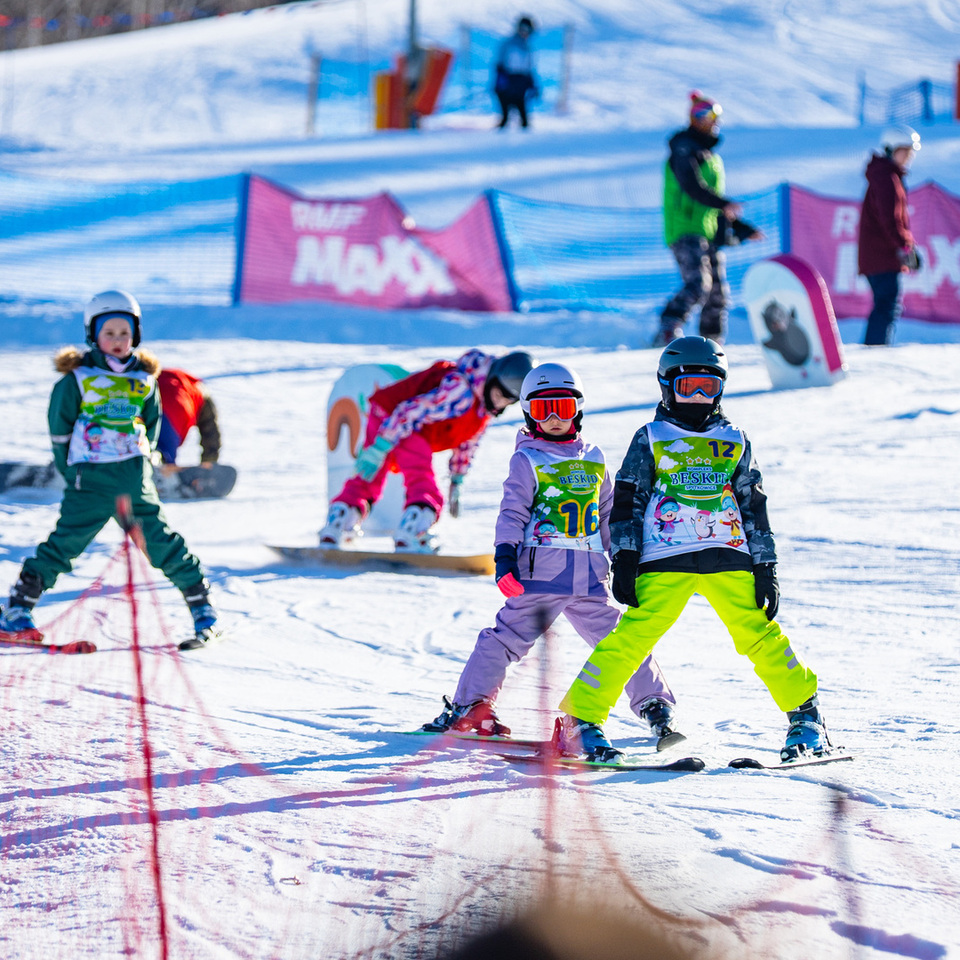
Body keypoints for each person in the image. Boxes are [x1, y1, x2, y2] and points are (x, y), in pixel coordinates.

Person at [555, 337, 826, 764]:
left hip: (728, 553)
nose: (699, 398)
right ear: (667, 387)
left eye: (708, 387)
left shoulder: (734, 438)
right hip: (665, 557)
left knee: (758, 633)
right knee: (631, 637)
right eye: (688, 388)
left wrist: (766, 564)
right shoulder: (651, 436)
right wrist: (624, 556)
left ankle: (806, 718)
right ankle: (581, 720)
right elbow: (628, 498)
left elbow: (753, 503)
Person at [422, 363, 680, 745]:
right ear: (529, 413)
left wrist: (626, 559)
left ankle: (654, 703)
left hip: (591, 577)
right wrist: (505, 556)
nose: (556, 418)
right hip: (540, 576)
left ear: (578, 408)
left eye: (562, 406)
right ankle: (471, 705)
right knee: (505, 639)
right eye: (544, 410)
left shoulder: (594, 458)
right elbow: (512, 512)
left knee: (623, 640)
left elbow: (607, 514)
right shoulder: (527, 460)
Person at [0, 290, 219, 647]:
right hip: (90, 480)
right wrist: (72, 473)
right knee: (65, 544)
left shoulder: (146, 379)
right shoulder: (77, 378)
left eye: (124, 333)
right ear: (93, 335)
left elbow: (151, 424)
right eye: (109, 333)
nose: (118, 341)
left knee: (160, 543)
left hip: (134, 480)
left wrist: (144, 465)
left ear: (136, 334)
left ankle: (202, 609)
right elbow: (60, 429)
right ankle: (17, 609)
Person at [319, 350, 536, 554]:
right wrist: (382, 446)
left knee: (369, 476)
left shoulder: (482, 409)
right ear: (492, 379)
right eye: (500, 393)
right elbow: (411, 410)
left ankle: (340, 521)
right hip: (401, 423)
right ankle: (413, 531)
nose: (501, 401)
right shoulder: (460, 389)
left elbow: (467, 444)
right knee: (420, 477)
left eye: (510, 399)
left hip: (394, 420)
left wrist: (457, 479)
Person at [654, 91, 762, 348]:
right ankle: (668, 328)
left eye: (714, 115)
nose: (709, 120)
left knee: (718, 295)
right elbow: (693, 187)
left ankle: (710, 345)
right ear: (692, 118)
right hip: (685, 228)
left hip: (709, 231)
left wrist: (741, 228)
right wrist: (724, 204)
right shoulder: (683, 149)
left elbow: (714, 202)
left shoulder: (712, 158)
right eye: (702, 114)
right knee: (698, 284)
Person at [857, 124, 922, 346]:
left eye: (911, 152)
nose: (909, 157)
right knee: (887, 306)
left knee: (885, 305)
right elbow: (890, 219)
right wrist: (906, 246)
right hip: (882, 256)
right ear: (890, 150)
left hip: (881, 255)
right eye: (905, 151)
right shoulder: (886, 178)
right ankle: (875, 352)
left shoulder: (887, 175)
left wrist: (907, 246)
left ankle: (875, 349)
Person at [156, 367, 222, 467]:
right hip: (177, 409)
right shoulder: (198, 389)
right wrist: (209, 463)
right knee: (166, 457)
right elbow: (210, 432)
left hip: (147, 400)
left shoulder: (160, 376)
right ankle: (165, 468)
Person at [493, 15, 538, 130]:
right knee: (505, 117)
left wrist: (533, 85)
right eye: (523, 29)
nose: (525, 32)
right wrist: (500, 80)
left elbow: (529, 69)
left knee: (524, 119)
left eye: (528, 30)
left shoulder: (528, 48)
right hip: (507, 83)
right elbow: (500, 64)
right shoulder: (508, 44)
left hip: (520, 85)